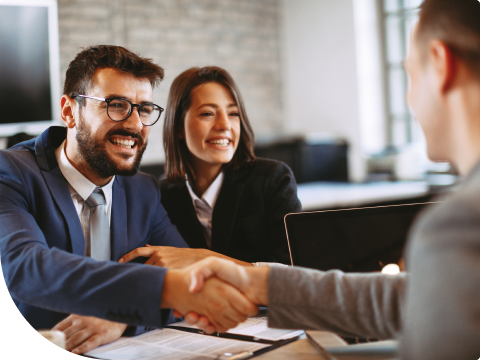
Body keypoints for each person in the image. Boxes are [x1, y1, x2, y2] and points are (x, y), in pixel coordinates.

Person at [180, 0, 480, 358]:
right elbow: (412, 300)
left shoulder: (459, 227)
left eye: (410, 75)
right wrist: (259, 283)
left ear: (441, 64)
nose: (410, 99)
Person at [0, 45, 257, 355]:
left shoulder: (143, 190)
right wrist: (153, 293)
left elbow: (191, 286)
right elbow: (24, 268)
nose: (135, 124)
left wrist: (123, 318)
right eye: (116, 105)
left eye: (144, 109)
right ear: (69, 111)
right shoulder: (12, 173)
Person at [118, 66, 301, 268]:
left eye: (233, 113)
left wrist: (204, 259)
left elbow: (293, 273)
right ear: (179, 126)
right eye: (207, 113)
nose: (224, 125)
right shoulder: (161, 196)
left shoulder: (272, 179)